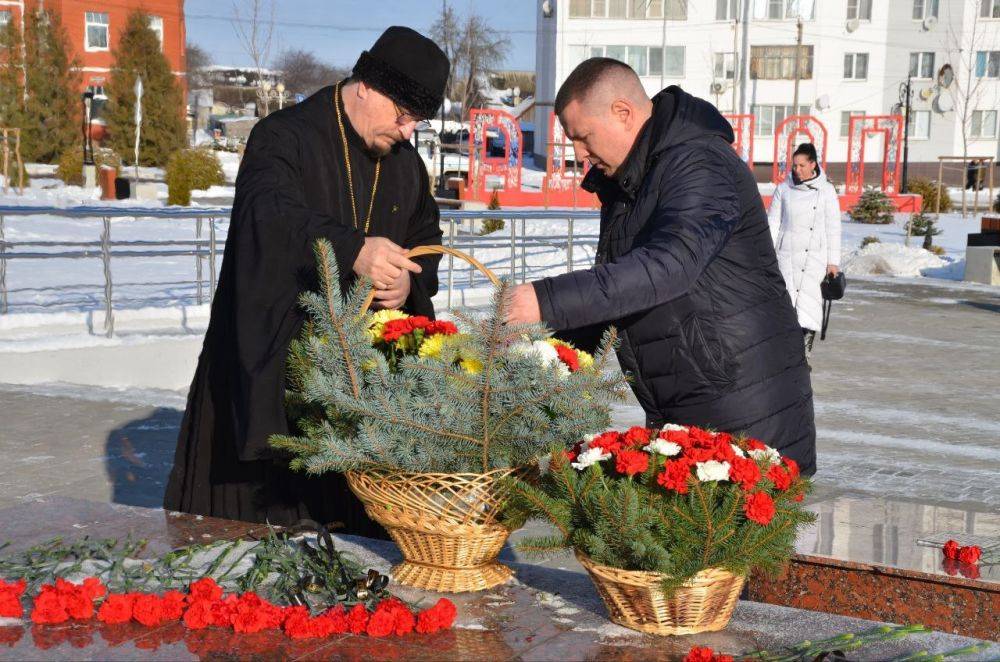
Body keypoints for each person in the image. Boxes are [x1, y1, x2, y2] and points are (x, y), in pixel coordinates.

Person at [164, 27, 450, 532]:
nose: (408, 132)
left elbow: (426, 237)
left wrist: (409, 284)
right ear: (366, 85)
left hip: (360, 391)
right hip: (273, 370)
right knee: (246, 549)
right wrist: (354, 251)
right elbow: (267, 216)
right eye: (403, 116)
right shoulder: (283, 136)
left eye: (417, 121)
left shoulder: (407, 165)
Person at [505, 58, 816, 475]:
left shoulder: (700, 163)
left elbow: (668, 265)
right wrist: (544, 352)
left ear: (623, 112)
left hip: (745, 412)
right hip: (690, 403)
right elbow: (620, 293)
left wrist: (545, 300)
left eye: (583, 137)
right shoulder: (630, 182)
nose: (579, 154)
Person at [767, 143, 841, 358]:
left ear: (813, 164)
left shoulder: (826, 191)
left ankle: (805, 346)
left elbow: (833, 227)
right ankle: (785, 351)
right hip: (786, 254)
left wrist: (833, 261)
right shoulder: (783, 189)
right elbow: (773, 223)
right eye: (794, 165)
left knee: (808, 303)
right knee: (786, 304)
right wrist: (767, 254)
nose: (796, 170)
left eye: (801, 165)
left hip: (814, 257)